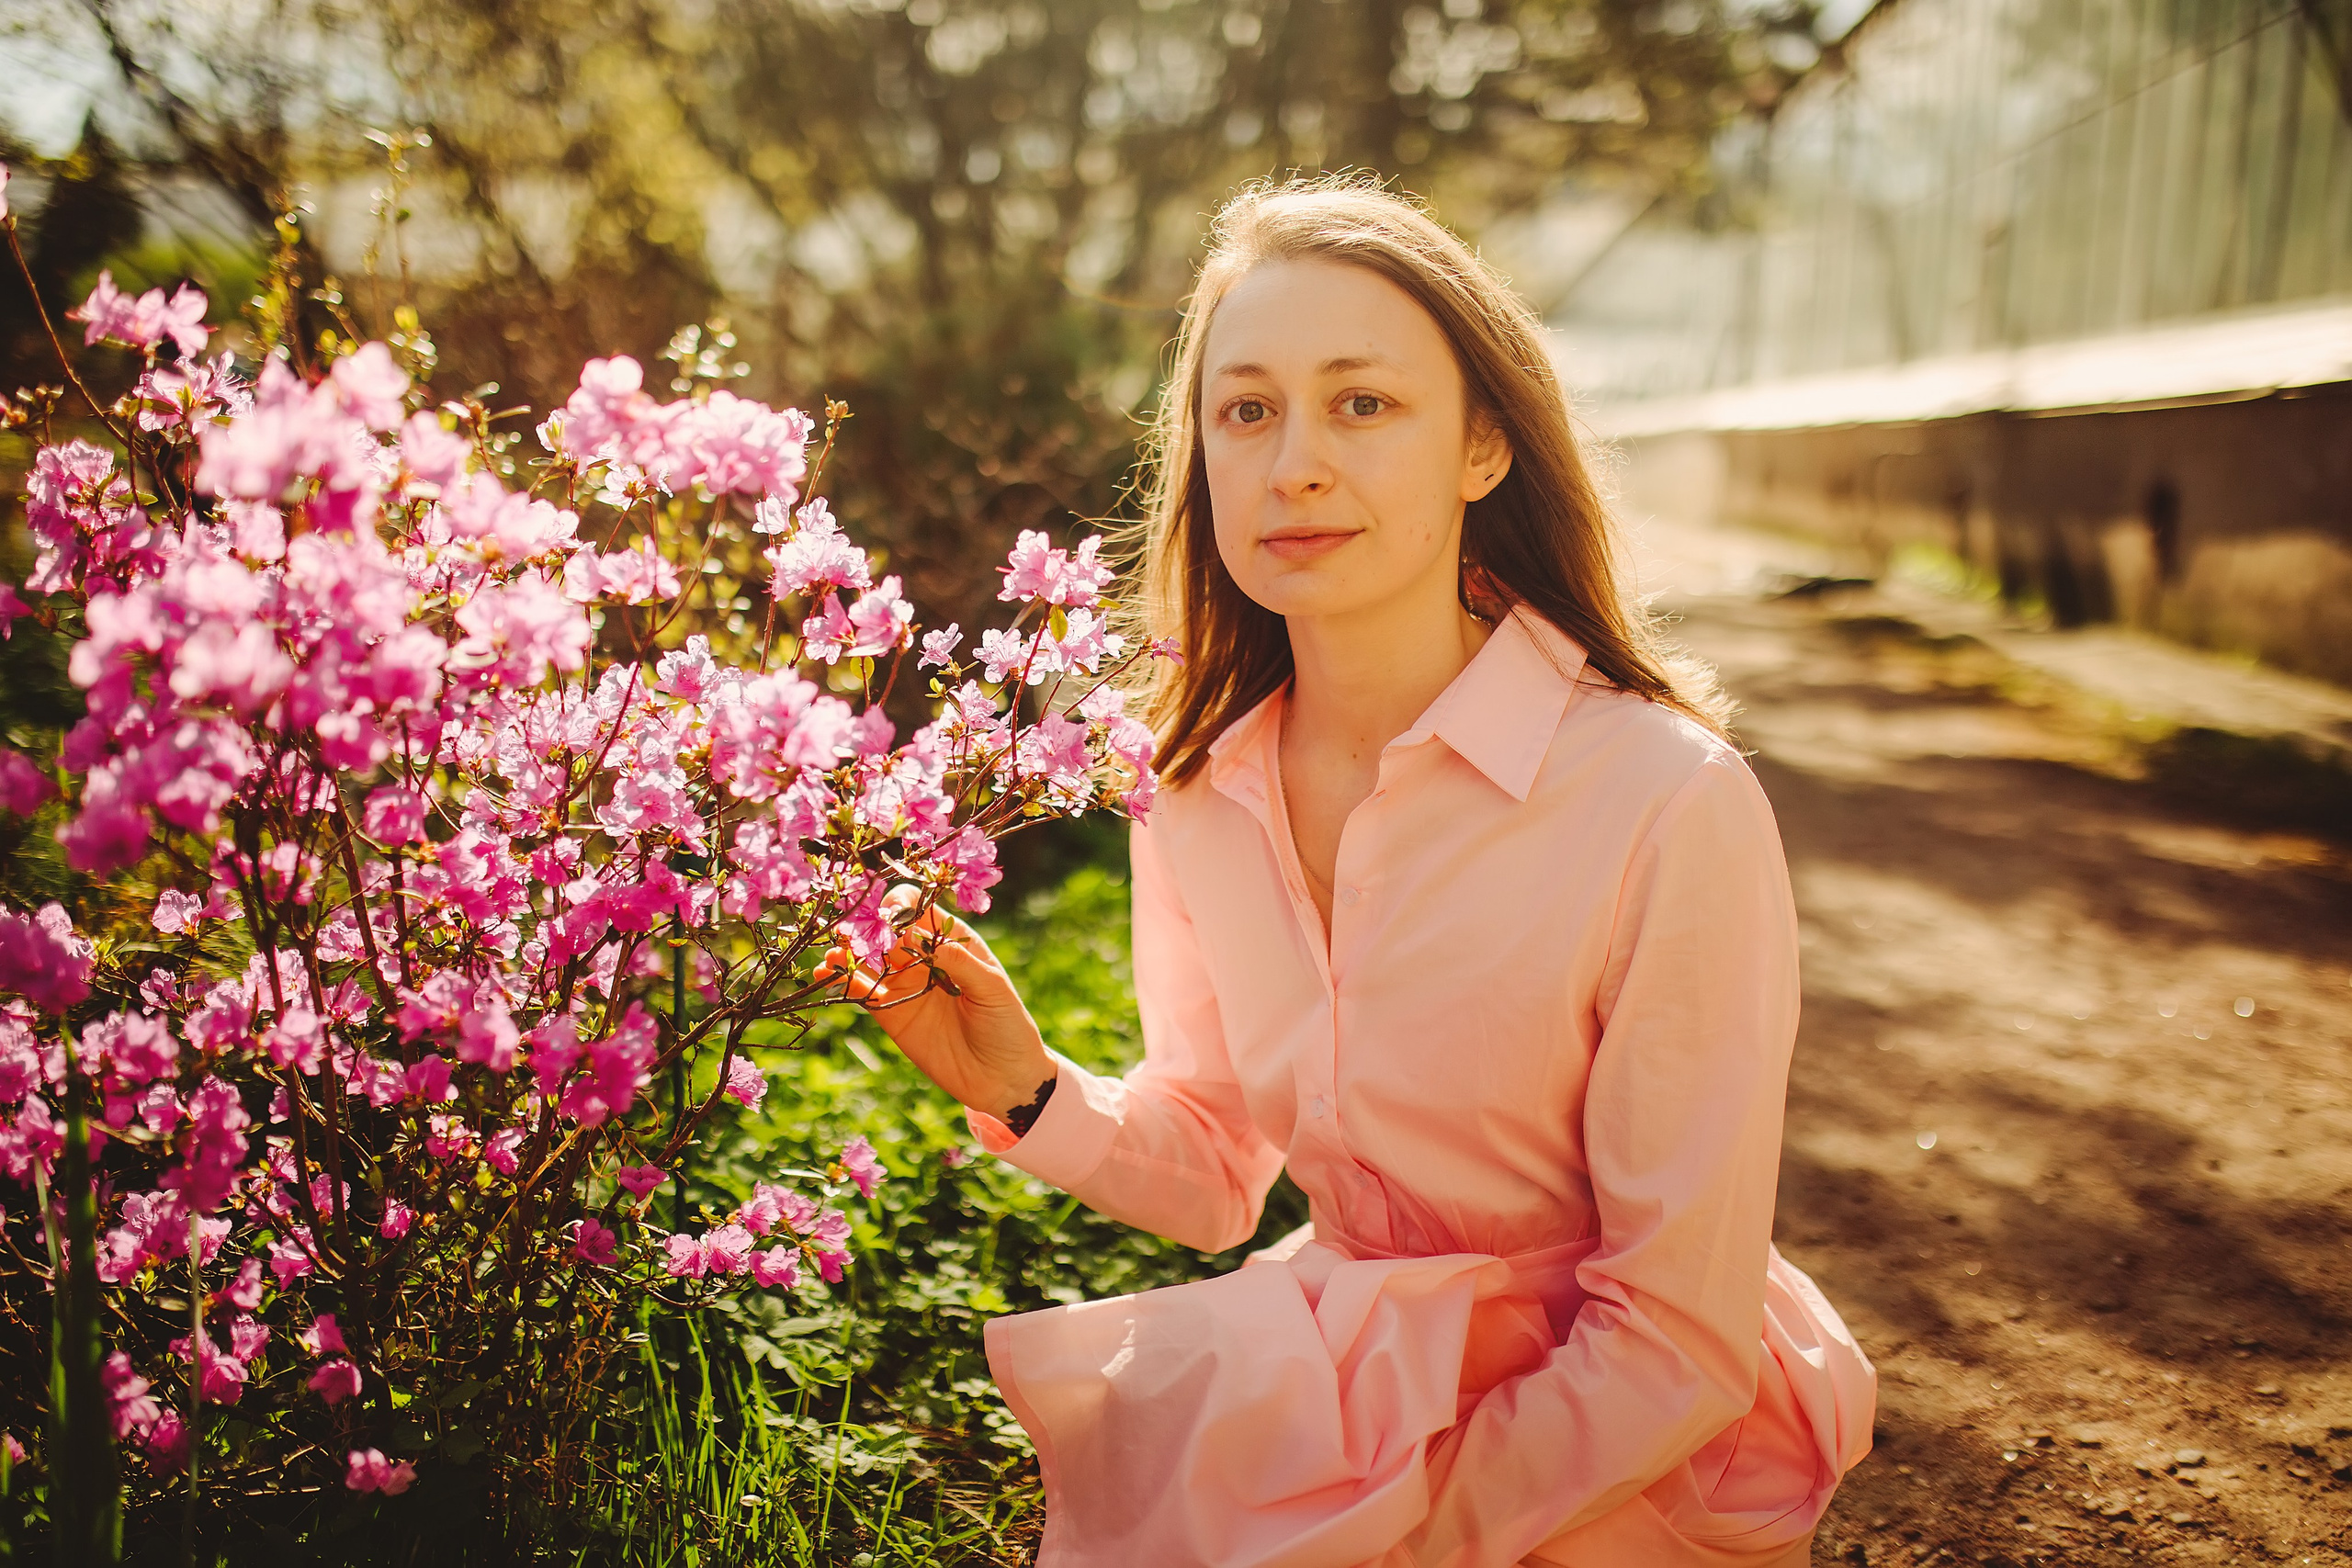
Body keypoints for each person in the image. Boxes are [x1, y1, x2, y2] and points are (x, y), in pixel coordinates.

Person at [822, 177, 1876, 1568]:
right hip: (1345, 1394)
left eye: (1362, 404)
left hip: (1615, 1450)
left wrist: (1401, 1541)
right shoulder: (1195, 778)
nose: (1293, 465)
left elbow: (1673, 1336)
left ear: (1482, 447)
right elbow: (1215, 1170)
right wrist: (1023, 1086)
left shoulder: (1667, 802)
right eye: (1247, 410)